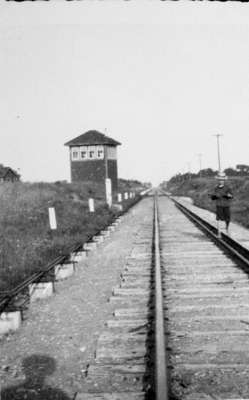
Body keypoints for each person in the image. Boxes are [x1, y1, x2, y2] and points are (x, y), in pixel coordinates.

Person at [210, 172, 233, 236]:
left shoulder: (228, 188)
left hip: (226, 205)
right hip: (219, 205)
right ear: (218, 180)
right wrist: (215, 196)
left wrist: (228, 195)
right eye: (220, 180)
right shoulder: (216, 188)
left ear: (224, 180)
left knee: (227, 218)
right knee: (219, 218)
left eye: (222, 180)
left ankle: (227, 228)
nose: (221, 181)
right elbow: (212, 197)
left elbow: (231, 196)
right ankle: (219, 231)